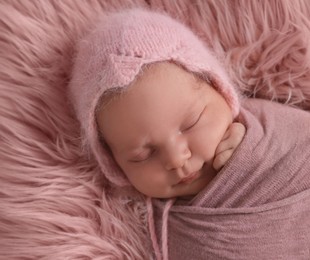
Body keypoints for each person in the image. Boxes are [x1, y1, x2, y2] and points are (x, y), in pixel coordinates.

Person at [68, 8, 310, 260]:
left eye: (191, 123)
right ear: (114, 164)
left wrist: (255, 149)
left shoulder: (268, 125)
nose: (176, 159)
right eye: (143, 155)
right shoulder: (145, 224)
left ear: (221, 91)